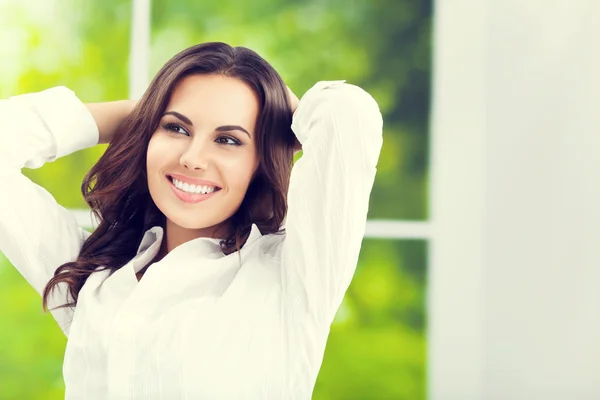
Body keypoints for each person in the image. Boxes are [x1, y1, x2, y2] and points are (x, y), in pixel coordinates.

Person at [0, 42, 383, 399]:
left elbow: (349, 117)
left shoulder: (291, 274)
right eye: (176, 128)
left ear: (260, 161)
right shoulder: (92, 274)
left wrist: (286, 117)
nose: (192, 157)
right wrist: (134, 116)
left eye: (229, 140)